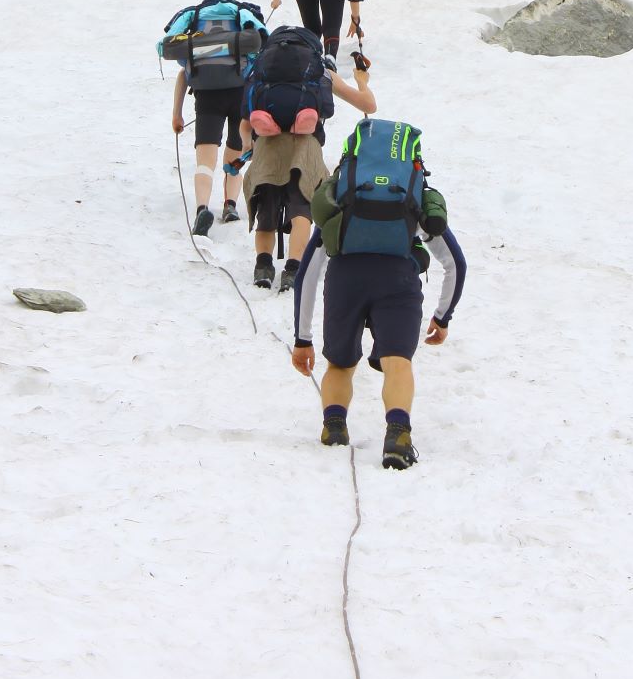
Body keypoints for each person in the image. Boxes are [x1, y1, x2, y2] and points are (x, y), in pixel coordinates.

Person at [291, 118, 467, 468]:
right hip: (398, 278)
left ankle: (335, 426)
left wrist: (302, 338)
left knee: (340, 364)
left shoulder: (343, 196)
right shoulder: (412, 196)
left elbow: (307, 272)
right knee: (397, 363)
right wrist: (442, 316)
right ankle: (398, 434)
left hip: (346, 279)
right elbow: (455, 264)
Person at [246, 57, 377, 290]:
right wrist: (361, 81)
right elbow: (368, 106)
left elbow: (245, 119)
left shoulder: (264, 69)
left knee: (265, 212)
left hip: (267, 145)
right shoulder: (321, 70)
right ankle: (293, 269)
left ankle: (263, 267)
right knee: (301, 209)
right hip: (306, 146)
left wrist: (248, 145)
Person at [171, 66, 252, 238]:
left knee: (205, 163)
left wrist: (176, 114)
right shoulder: (245, 38)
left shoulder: (198, 39)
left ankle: (202, 209)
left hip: (208, 95)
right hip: (240, 96)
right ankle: (230, 206)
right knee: (234, 159)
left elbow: (182, 74)